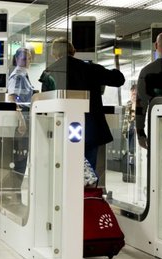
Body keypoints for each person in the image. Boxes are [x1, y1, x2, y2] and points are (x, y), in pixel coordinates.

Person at [39, 38, 125, 172]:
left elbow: (46, 103)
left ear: (54, 54)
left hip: (62, 128)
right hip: (89, 129)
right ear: (73, 51)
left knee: (65, 170)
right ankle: (86, 191)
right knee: (88, 172)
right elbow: (119, 79)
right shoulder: (90, 68)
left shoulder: (49, 73)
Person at [5, 47, 34, 193]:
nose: (26, 61)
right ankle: (13, 195)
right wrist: (21, 120)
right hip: (21, 120)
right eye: (23, 58)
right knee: (19, 159)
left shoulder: (24, 75)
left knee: (21, 159)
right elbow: (11, 98)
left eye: (29, 58)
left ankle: (15, 194)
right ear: (16, 59)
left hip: (26, 117)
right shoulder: (17, 76)